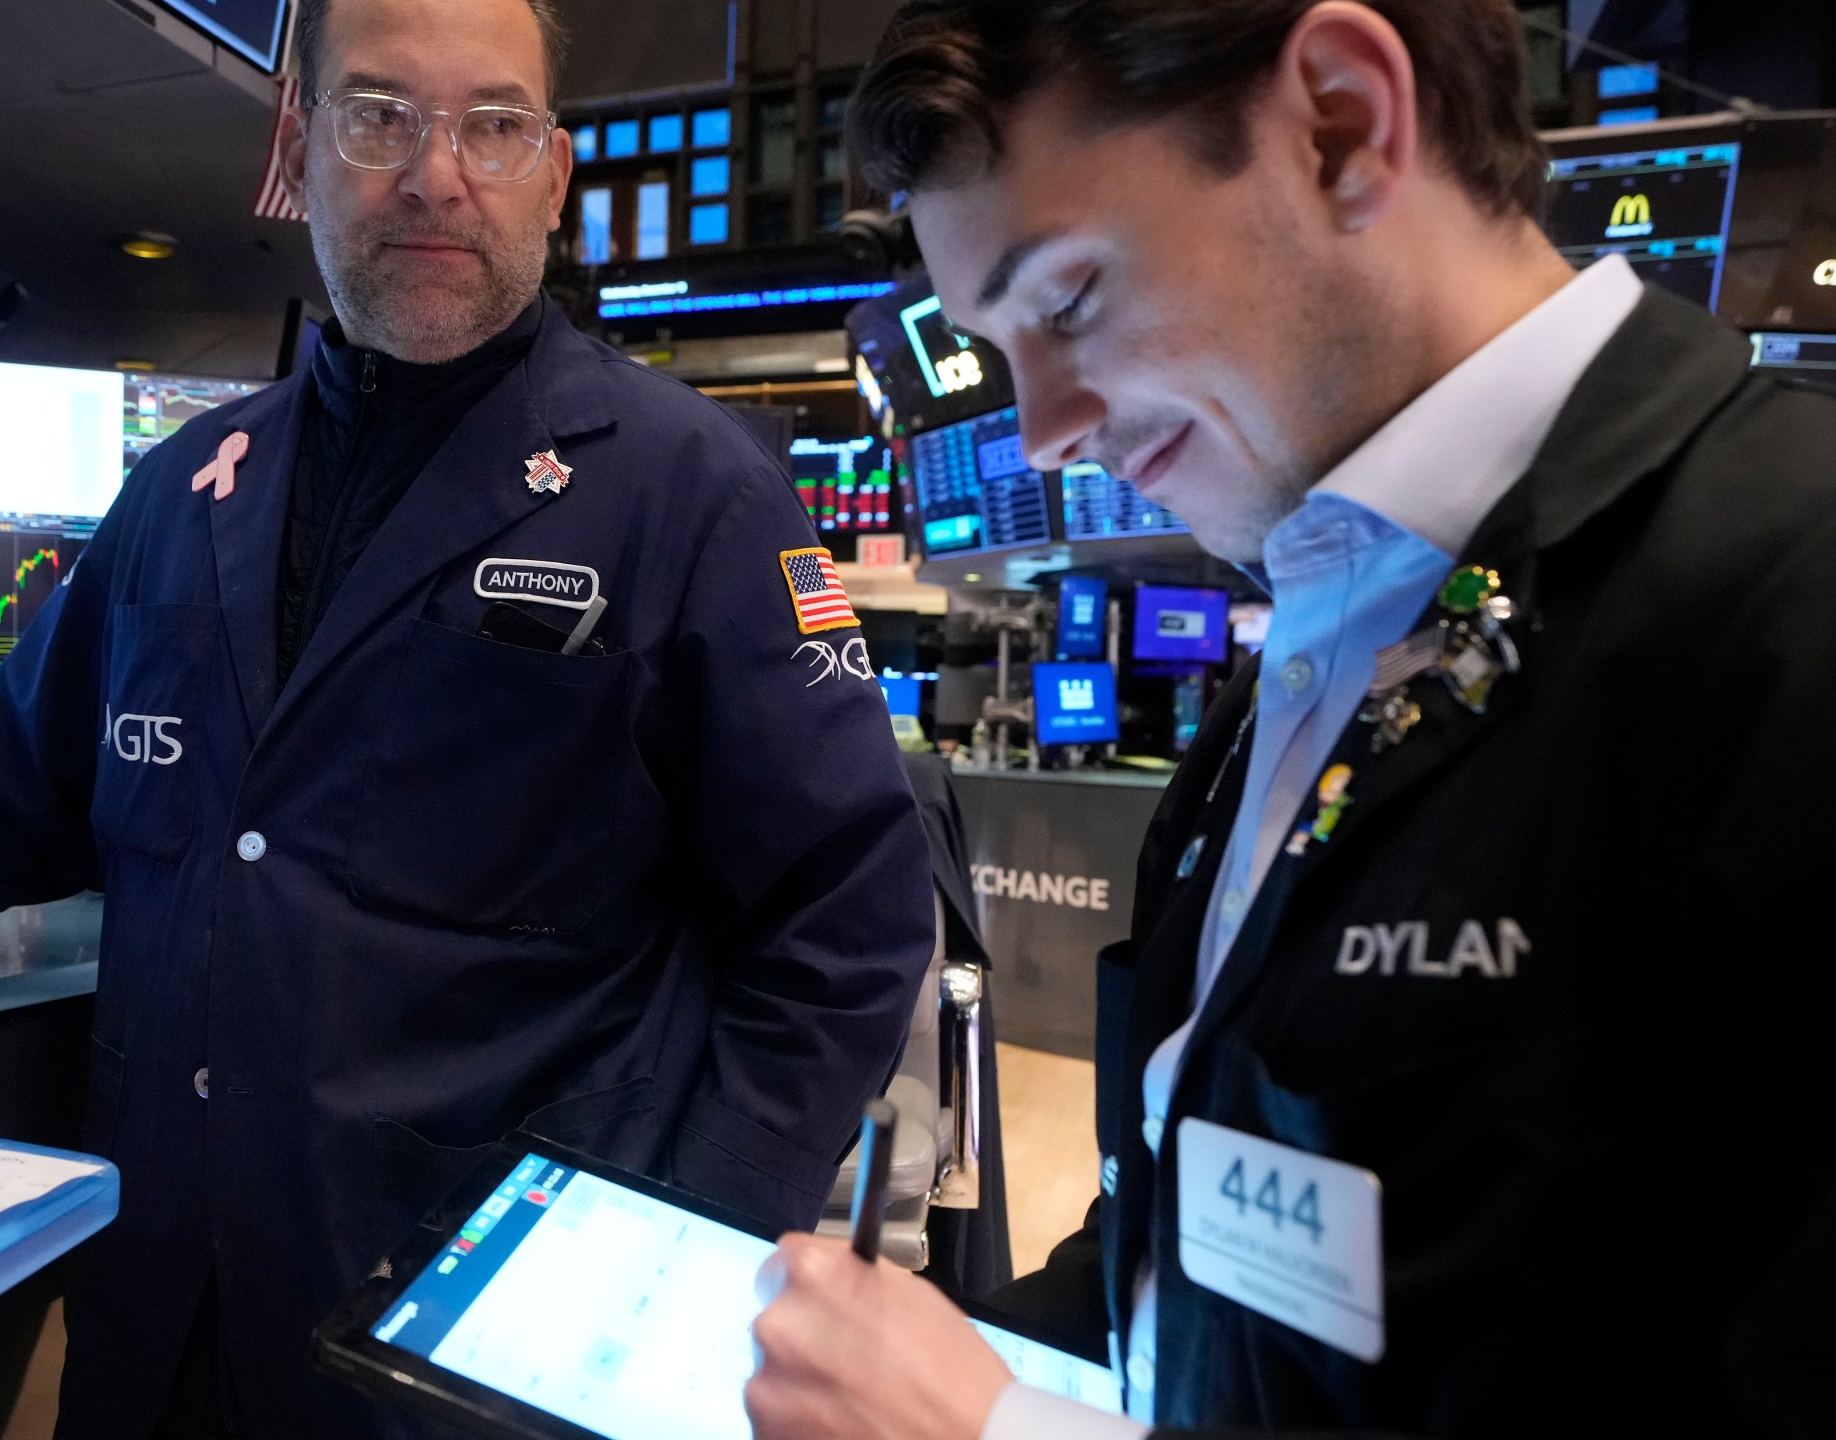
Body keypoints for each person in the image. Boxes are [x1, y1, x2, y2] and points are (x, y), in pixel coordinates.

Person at [0, 0, 936, 1434]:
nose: (433, 177)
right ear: (297, 144)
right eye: (379, 115)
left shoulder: (690, 490)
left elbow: (846, 926)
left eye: (495, 126)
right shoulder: (187, 489)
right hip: (166, 1313)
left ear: (557, 174)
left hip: (475, 1331)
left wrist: (671, 1251)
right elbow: (7, 794)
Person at [745, 1, 1834, 1437]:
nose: (1046, 428)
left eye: (1066, 302)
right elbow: (1219, 1240)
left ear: (1341, 120)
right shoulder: (1321, 632)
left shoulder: (1786, 610)